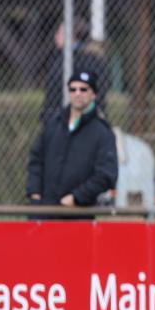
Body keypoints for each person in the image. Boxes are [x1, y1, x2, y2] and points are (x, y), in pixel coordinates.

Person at [27, 70, 118, 215]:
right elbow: (36, 159)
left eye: (83, 89)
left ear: (93, 94)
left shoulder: (102, 132)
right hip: (44, 210)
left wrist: (77, 197)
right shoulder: (53, 124)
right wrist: (35, 192)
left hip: (77, 215)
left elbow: (106, 175)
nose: (77, 93)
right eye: (73, 89)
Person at [40, 21, 108, 123]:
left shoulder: (61, 61)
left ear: (69, 36)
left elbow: (52, 94)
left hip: (59, 119)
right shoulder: (96, 59)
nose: (56, 36)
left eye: (59, 33)